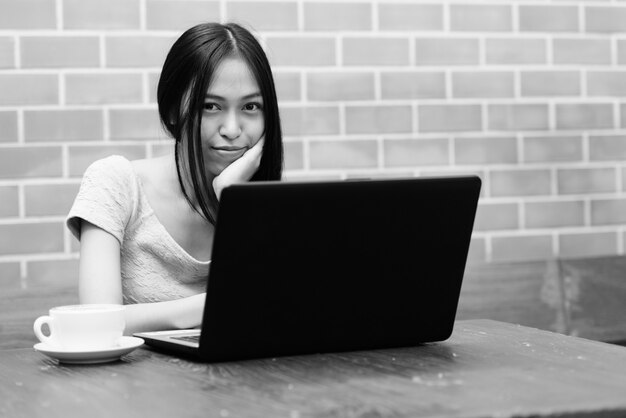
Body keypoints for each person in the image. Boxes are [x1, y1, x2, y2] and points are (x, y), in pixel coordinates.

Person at [66, 22, 284, 335]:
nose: (233, 129)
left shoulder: (261, 202)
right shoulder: (115, 182)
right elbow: (96, 321)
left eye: (250, 106)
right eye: (211, 106)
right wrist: (212, 305)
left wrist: (234, 202)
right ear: (172, 111)